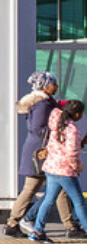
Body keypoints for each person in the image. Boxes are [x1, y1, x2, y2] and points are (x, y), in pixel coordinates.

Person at [4, 71, 83, 238]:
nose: (56, 86)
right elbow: (37, 129)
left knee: (58, 189)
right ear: (45, 86)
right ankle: (13, 223)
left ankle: (70, 226)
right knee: (31, 189)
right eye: (53, 84)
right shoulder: (42, 106)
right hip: (39, 154)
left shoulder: (46, 103)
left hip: (45, 153)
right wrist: (52, 144)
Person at [30, 100, 87, 243]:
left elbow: (56, 146)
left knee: (48, 200)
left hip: (52, 168)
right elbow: (72, 153)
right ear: (77, 114)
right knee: (79, 202)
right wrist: (77, 166)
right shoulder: (72, 129)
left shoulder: (56, 124)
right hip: (65, 171)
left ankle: (37, 231)